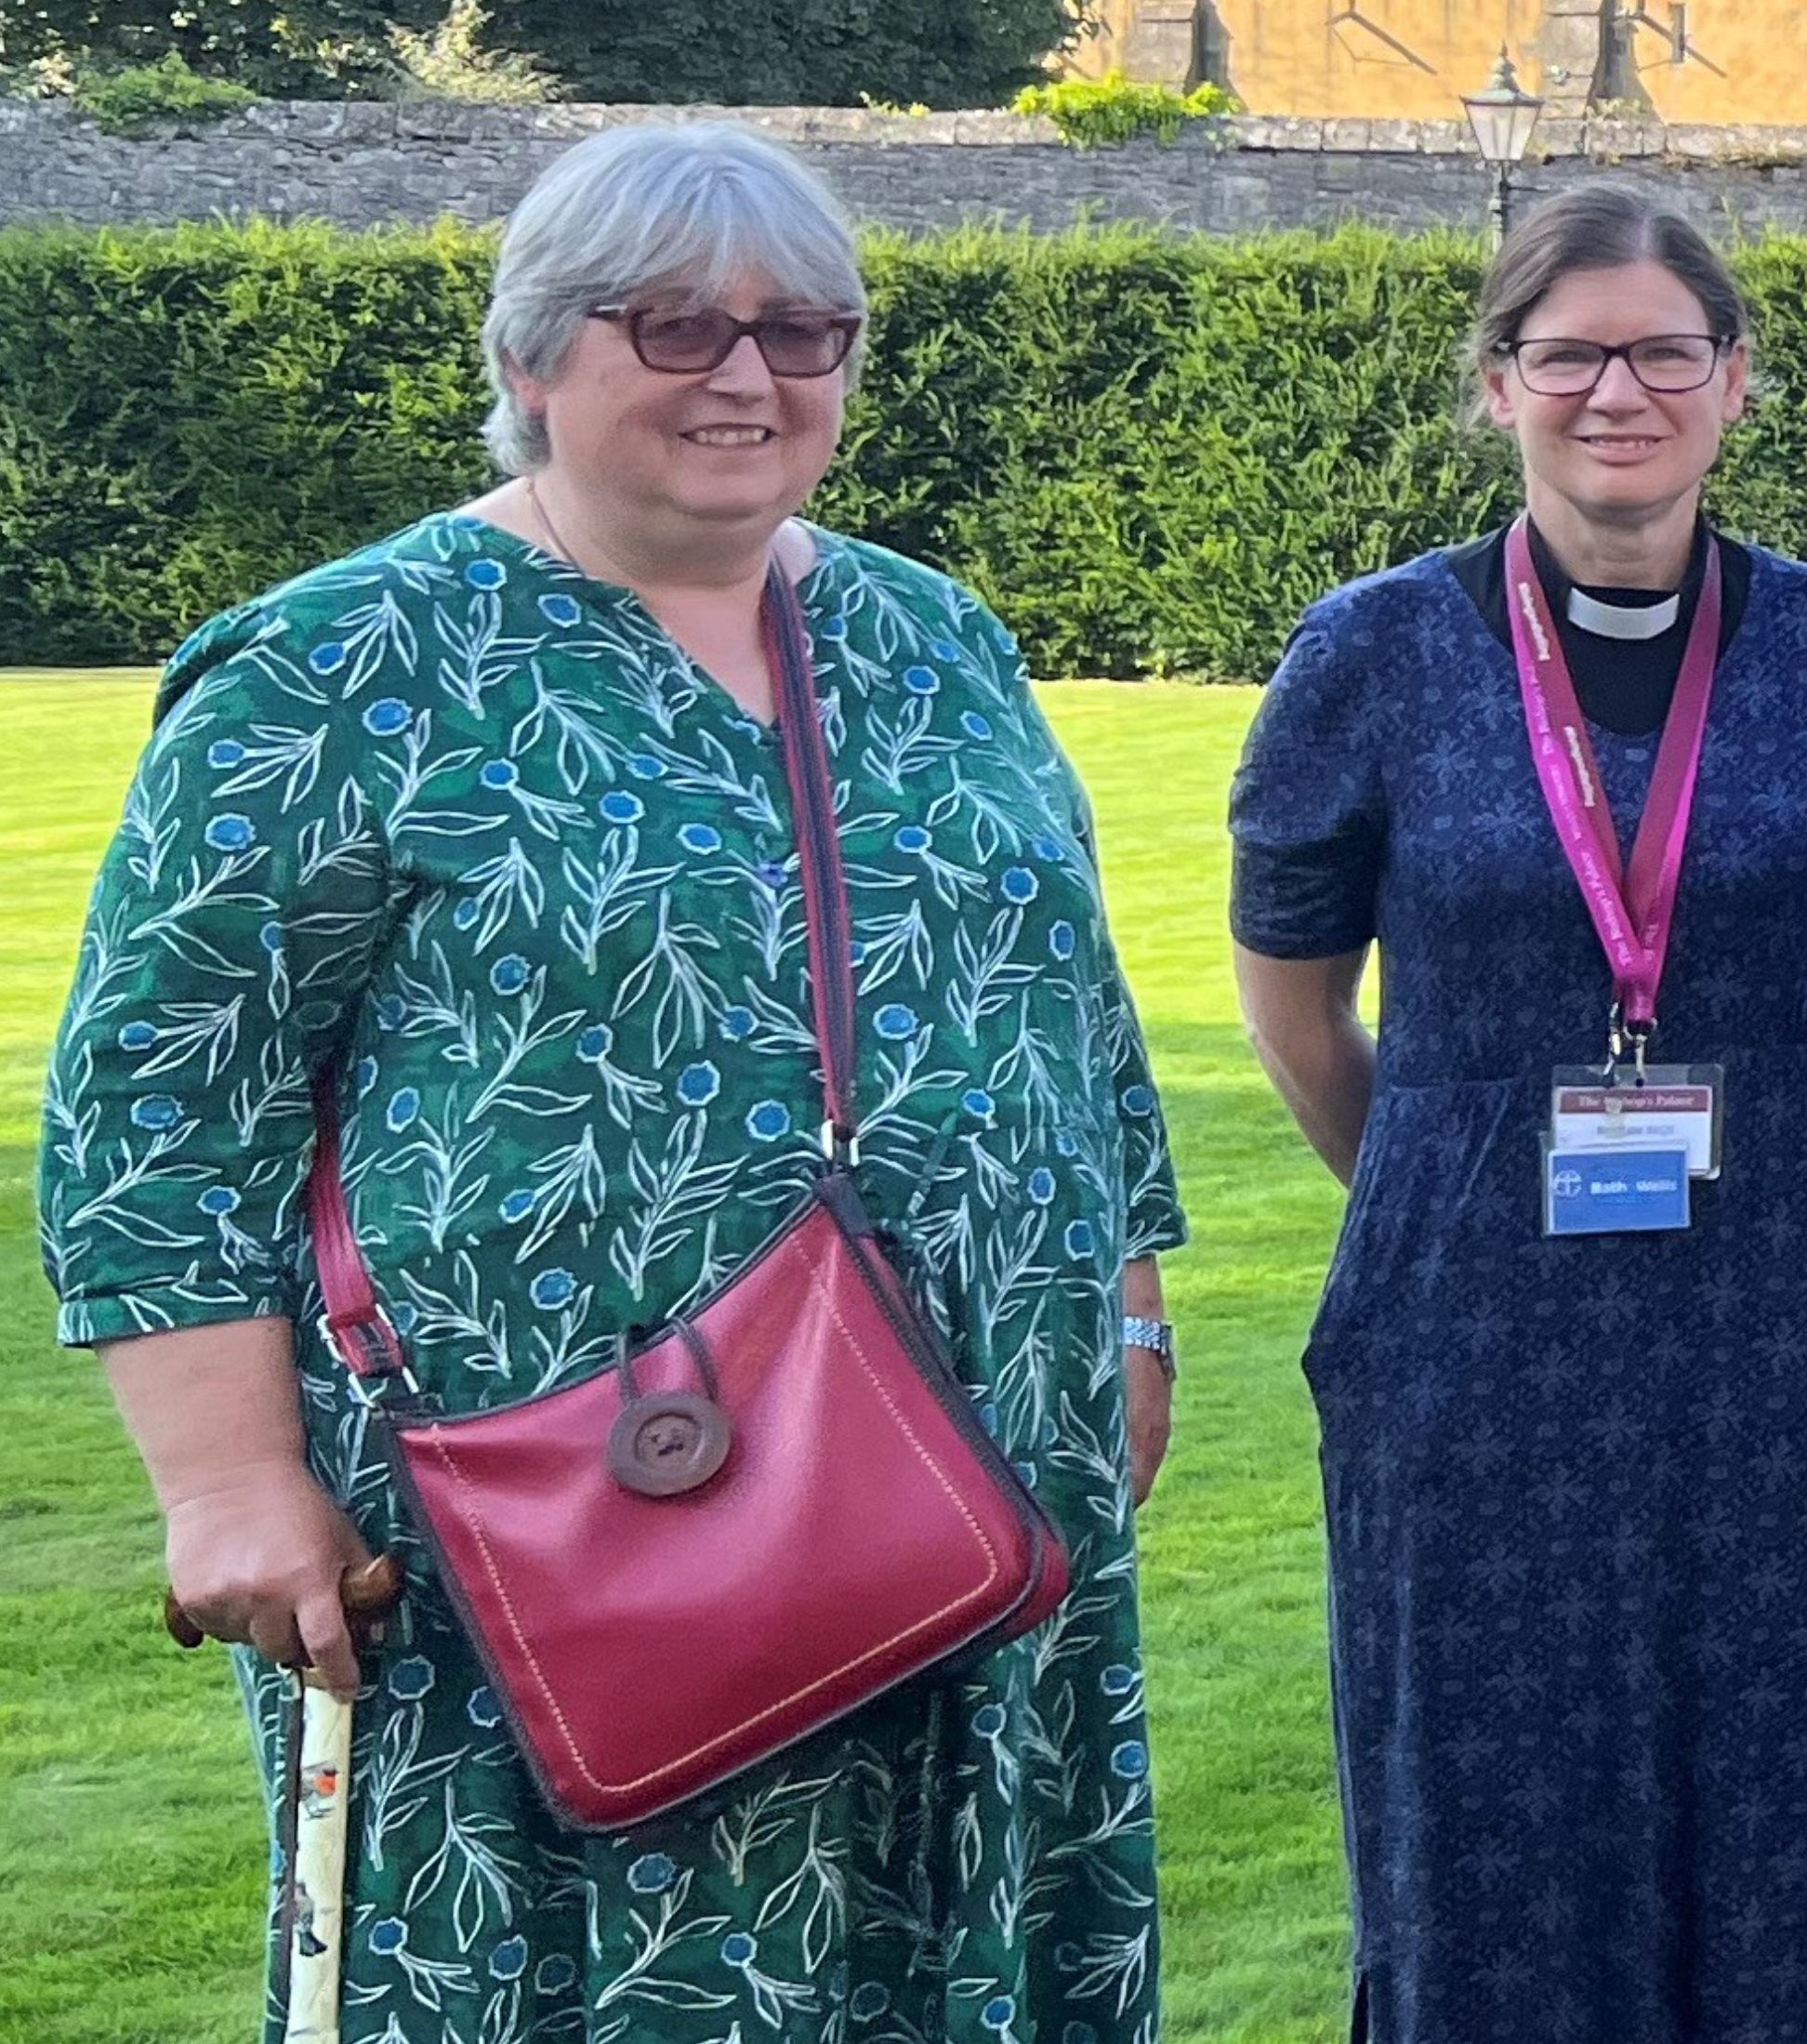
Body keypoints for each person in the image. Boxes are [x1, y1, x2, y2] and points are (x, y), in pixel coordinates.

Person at [59, 123, 1187, 2040]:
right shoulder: (334, 668)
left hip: (974, 1470)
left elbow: (1068, 995)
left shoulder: (934, 640)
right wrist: (230, 1480)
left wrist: (1134, 1309)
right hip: (568, 1516)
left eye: (802, 330)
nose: (747, 375)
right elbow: (163, 1100)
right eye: (673, 324)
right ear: (529, 357)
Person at [1225, 180, 1807, 2044]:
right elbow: (1294, 1003)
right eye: (1567, 352)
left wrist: (1768, 1157)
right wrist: (1444, 1183)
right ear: (1496, 383)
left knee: (1765, 1808)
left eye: (1662, 350)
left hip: (1762, 1325)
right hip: (1465, 1337)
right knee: (1481, 1821)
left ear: (1734, 383)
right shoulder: (1371, 651)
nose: (1614, 390)